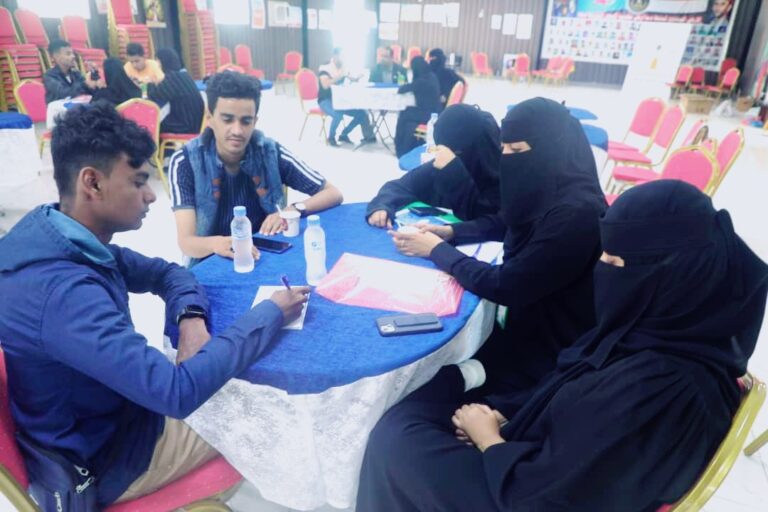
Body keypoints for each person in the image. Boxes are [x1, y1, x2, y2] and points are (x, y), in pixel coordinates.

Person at [357, 180, 768, 511]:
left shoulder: (661, 389)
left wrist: (490, 442)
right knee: (422, 404)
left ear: (674, 275)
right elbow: (579, 392)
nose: (602, 270)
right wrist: (508, 414)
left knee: (397, 438)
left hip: (526, 491)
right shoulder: (662, 327)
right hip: (544, 459)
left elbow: (549, 499)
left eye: (615, 262)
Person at [0, 102, 311, 508]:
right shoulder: (62, 294)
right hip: (110, 456)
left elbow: (169, 274)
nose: (150, 196)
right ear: (92, 183)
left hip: (109, 413)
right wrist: (271, 312)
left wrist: (191, 319)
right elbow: (175, 393)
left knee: (228, 372)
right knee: (266, 411)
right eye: (138, 182)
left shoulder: (59, 236)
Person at [391, 98, 606, 414]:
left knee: (411, 409)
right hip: (521, 332)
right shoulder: (549, 188)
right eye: (503, 148)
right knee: (419, 386)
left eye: (516, 150)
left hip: (548, 358)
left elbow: (508, 285)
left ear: (553, 148)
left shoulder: (576, 214)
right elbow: (507, 220)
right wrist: (451, 232)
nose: (506, 157)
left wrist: (436, 250)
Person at [169, 71, 343, 263]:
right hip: (209, 261)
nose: (237, 130)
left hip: (265, 256)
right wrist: (217, 244)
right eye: (227, 119)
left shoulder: (269, 152)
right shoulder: (185, 161)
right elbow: (187, 242)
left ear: (255, 121)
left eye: (246, 121)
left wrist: (293, 209)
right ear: (210, 118)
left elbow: (333, 193)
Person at [367, 104, 500, 228]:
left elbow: (488, 217)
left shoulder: (501, 171)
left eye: (453, 152)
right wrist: (381, 206)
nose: (448, 156)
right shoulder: (445, 164)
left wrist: (454, 174)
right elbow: (400, 186)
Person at [318, 48, 375, 146]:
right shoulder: (325, 68)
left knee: (362, 113)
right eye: (342, 56)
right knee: (338, 114)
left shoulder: (343, 68)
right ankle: (331, 138)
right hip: (325, 100)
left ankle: (344, 134)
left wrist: (358, 77)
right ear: (335, 56)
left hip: (340, 100)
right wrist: (340, 76)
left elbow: (351, 78)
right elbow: (325, 85)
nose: (343, 59)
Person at [148, 48, 205, 135]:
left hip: (185, 125)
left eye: (157, 60)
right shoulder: (184, 75)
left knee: (152, 125)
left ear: (163, 61)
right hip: (196, 123)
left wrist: (151, 83)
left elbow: (154, 96)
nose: (157, 65)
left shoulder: (172, 77)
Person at [394, 56, 441, 157]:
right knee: (408, 118)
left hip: (428, 114)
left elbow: (402, 90)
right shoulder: (432, 76)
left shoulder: (421, 81)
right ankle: (403, 147)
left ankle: (399, 146)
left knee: (404, 114)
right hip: (435, 111)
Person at [43, 39, 101, 103]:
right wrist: (85, 84)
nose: (73, 56)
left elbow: (90, 91)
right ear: (56, 57)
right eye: (68, 54)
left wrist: (93, 74)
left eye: (72, 53)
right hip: (60, 108)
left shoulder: (76, 73)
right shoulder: (49, 76)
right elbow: (64, 94)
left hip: (78, 107)